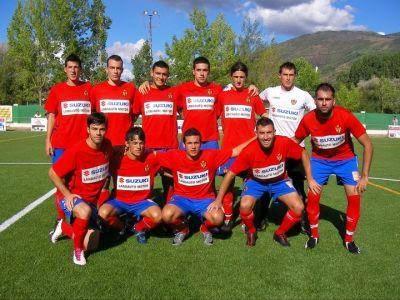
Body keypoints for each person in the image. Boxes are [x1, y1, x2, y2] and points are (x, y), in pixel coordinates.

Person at [212, 117, 319, 247]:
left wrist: (310, 178)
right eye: (262, 133)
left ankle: (280, 233)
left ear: (274, 131)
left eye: (269, 132)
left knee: (299, 207)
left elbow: (303, 153)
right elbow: (230, 174)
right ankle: (251, 231)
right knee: (244, 206)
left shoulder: (284, 142)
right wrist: (218, 200)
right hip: (256, 183)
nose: (266, 137)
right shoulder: (249, 151)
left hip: (279, 182)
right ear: (256, 133)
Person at [294, 83, 373, 254]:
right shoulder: (308, 119)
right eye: (320, 99)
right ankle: (313, 235)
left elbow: (367, 144)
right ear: (315, 101)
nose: (324, 103)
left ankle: (349, 239)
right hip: (320, 162)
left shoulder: (345, 116)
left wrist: (365, 176)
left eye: (327, 99)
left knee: (354, 198)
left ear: (333, 101)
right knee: (312, 197)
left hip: (346, 161)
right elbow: (295, 142)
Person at [138, 56, 259, 150]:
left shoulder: (217, 89)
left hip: (210, 140)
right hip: (189, 140)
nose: (202, 73)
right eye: (199, 70)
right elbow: (162, 93)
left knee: (211, 177)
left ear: (209, 72)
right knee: (186, 175)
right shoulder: (182, 89)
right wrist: (146, 83)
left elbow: (235, 93)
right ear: (193, 71)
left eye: (205, 70)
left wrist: (251, 87)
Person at [158, 128, 253, 246]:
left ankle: (204, 227)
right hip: (181, 199)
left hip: (205, 199)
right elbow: (153, 157)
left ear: (201, 144)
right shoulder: (174, 155)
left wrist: (256, 137)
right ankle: (183, 229)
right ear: (184, 144)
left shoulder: (210, 155)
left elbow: (236, 151)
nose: (193, 147)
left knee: (218, 218)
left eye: (196, 143)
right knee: (166, 215)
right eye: (190, 143)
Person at [48, 112, 113, 265]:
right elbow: (52, 173)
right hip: (71, 199)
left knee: (92, 244)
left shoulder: (107, 146)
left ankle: (63, 227)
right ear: (87, 129)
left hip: (91, 202)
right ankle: (77, 252)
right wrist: (68, 194)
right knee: (84, 212)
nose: (98, 133)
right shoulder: (77, 150)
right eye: (94, 128)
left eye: (102, 129)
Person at [259, 62, 316, 233]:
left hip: (295, 149)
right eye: (285, 74)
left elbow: (315, 115)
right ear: (280, 75)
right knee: (265, 185)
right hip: (273, 149)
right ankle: (261, 219)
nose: (288, 78)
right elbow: (253, 98)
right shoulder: (270, 92)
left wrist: (304, 134)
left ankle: (304, 221)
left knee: (298, 188)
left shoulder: (303, 95)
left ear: (294, 76)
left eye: (291, 75)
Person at [216, 61, 268, 232]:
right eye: (236, 77)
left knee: (250, 185)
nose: (239, 80)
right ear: (231, 77)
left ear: (246, 78)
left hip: (249, 149)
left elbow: (264, 115)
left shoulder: (252, 94)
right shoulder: (223, 96)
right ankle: (228, 219)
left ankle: (249, 218)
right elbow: (212, 115)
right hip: (229, 151)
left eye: (242, 77)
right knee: (228, 185)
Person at [45, 54, 93, 227]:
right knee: (61, 183)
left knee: (80, 183)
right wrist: (47, 140)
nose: (73, 70)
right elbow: (51, 115)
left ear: (80, 69)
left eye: (76, 67)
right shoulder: (57, 89)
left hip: (82, 146)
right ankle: (60, 219)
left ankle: (78, 215)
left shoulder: (88, 88)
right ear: (65, 69)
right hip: (61, 145)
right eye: (70, 67)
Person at [98, 127, 162, 244]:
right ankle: (123, 227)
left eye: (141, 143)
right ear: (127, 143)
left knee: (158, 216)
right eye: (135, 143)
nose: (138, 147)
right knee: (102, 213)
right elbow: (102, 151)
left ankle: (138, 227)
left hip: (142, 202)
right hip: (119, 201)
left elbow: (173, 162)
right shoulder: (116, 158)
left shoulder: (151, 157)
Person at [133, 60, 179, 205]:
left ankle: (169, 217)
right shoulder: (142, 93)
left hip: (169, 147)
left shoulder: (174, 92)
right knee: (145, 186)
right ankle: (144, 217)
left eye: (164, 74)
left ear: (168, 76)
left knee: (170, 185)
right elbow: (132, 115)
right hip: (148, 148)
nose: (161, 77)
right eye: (158, 73)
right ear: (151, 73)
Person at [91, 55, 136, 152]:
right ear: (106, 69)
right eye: (112, 68)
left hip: (126, 145)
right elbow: (92, 115)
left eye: (118, 68)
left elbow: (135, 114)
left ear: (122, 70)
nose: (115, 71)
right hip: (103, 144)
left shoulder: (131, 89)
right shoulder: (96, 90)